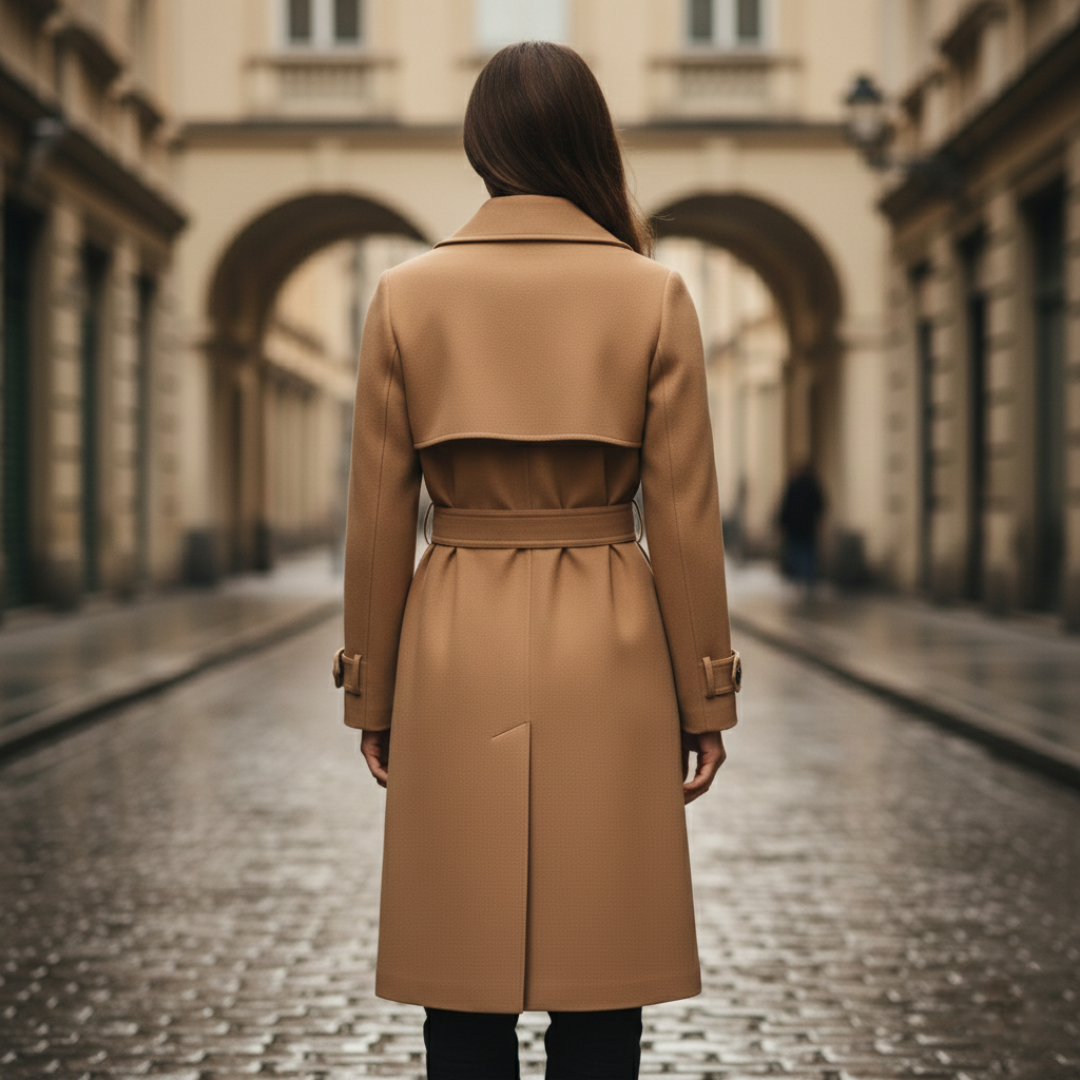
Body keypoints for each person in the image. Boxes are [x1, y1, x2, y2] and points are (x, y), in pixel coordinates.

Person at [332, 41, 741, 1080]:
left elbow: (378, 520)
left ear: (482, 147)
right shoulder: (653, 296)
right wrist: (708, 696)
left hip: (454, 636)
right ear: (587, 141)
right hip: (609, 640)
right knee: (604, 984)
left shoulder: (403, 296)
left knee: (457, 980)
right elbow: (686, 519)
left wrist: (368, 689)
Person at [778, 462, 827, 589]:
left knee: (797, 552)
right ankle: (808, 579)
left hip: (794, 527)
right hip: (808, 526)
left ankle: (799, 579)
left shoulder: (793, 486)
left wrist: (782, 522)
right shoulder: (813, 486)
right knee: (807, 552)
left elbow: (786, 506)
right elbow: (821, 505)